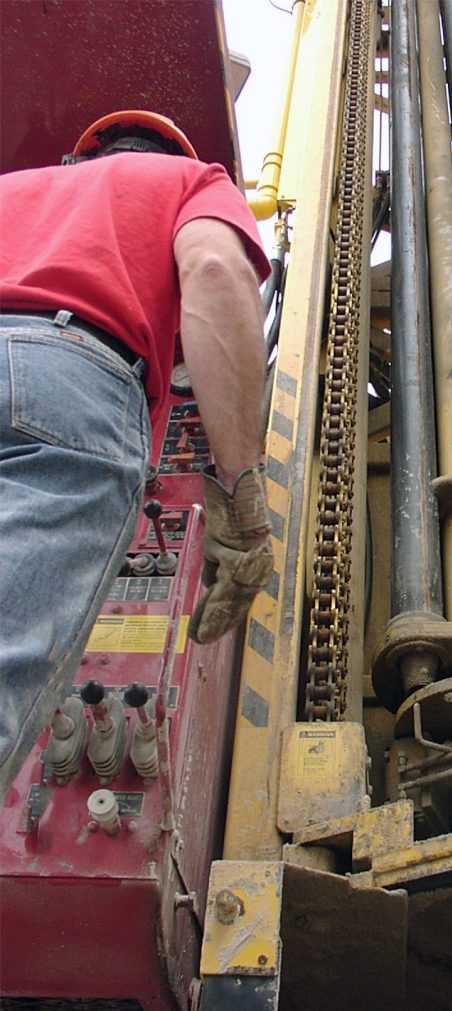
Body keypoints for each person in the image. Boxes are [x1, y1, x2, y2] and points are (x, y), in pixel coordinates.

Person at [0, 110, 274, 793]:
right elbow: (214, 267)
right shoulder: (191, 181)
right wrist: (239, 501)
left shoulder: (12, 187)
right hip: (68, 384)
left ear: (78, 157)